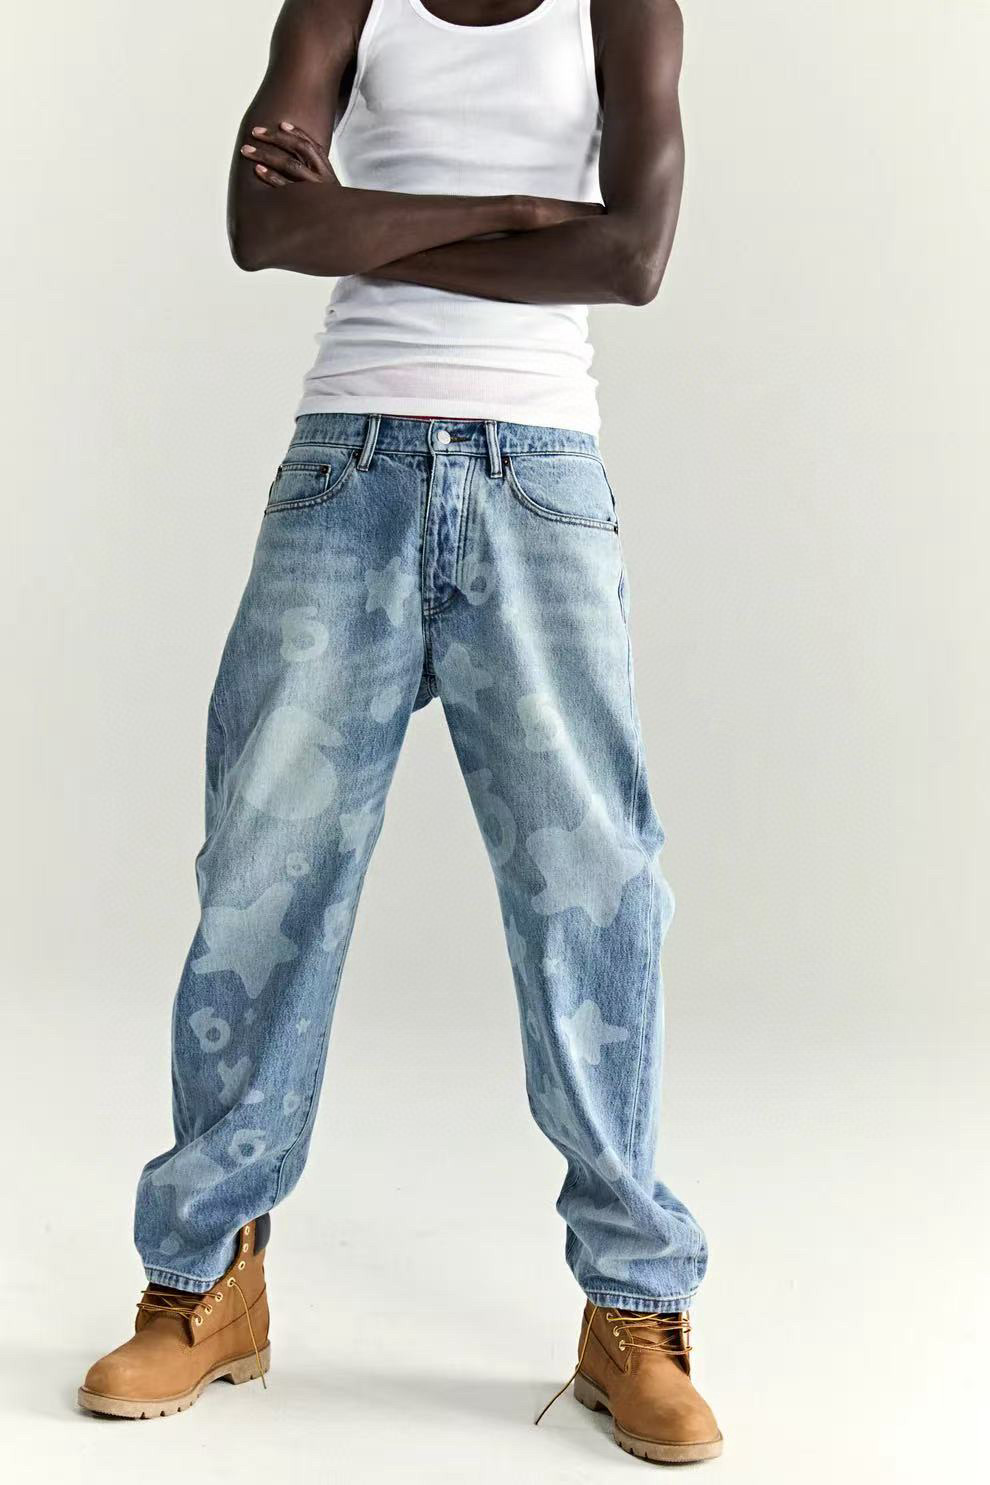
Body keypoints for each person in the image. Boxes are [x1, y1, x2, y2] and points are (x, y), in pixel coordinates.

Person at [79, 0, 722, 1462]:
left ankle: (632, 1305)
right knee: (262, 881)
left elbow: (630, 257)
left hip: (537, 475)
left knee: (595, 891)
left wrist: (361, 223)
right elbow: (264, 229)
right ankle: (206, 1281)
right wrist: (519, 211)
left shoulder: (621, 6)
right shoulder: (341, 1)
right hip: (344, 467)